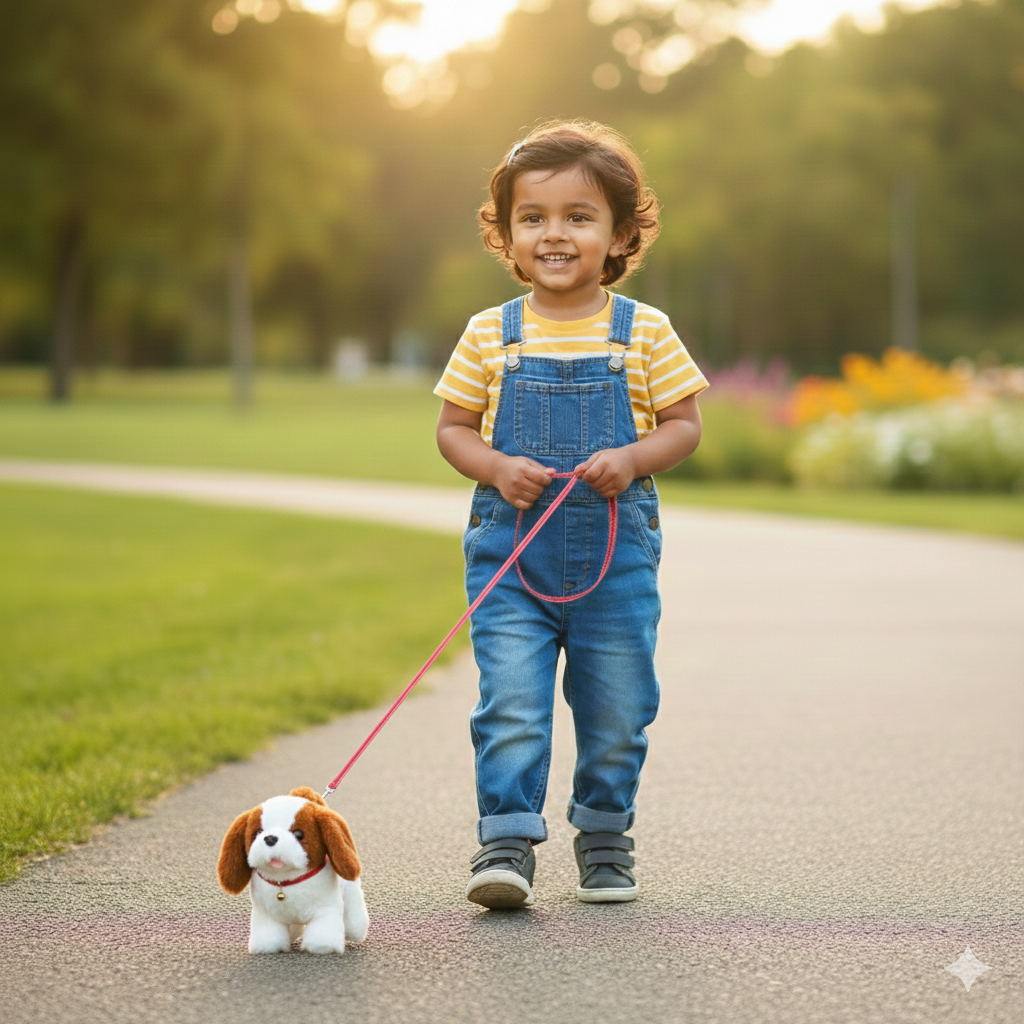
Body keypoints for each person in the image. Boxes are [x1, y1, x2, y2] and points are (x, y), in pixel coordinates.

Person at [434, 120, 707, 909]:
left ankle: (604, 833)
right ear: (508, 235)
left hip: (614, 559)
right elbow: (452, 429)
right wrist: (493, 465)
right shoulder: (492, 334)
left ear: (619, 233)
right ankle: (507, 842)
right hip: (512, 556)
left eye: (578, 217)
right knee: (512, 702)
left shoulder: (644, 332)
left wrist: (633, 458)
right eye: (534, 218)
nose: (554, 235)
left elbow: (685, 426)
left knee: (618, 707)